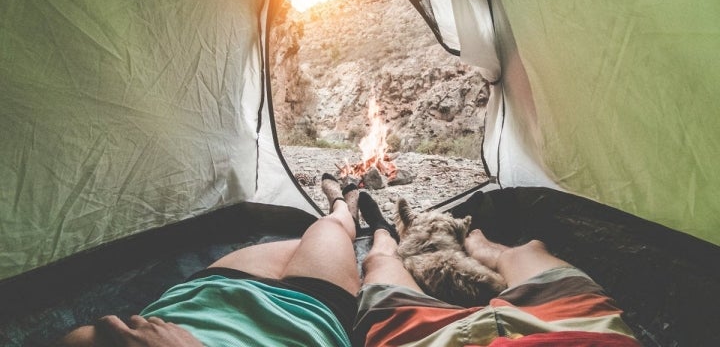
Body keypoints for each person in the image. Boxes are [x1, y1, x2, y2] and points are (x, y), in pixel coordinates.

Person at [61, 173, 362, 347]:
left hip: (212, 293)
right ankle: (343, 208)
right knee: (329, 231)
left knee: (312, 238)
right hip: (308, 314)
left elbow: (76, 339)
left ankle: (340, 211)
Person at [353, 190, 641, 346]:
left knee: (379, 262)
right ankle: (479, 245)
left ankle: (382, 231)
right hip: (585, 330)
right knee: (530, 249)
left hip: (430, 341)